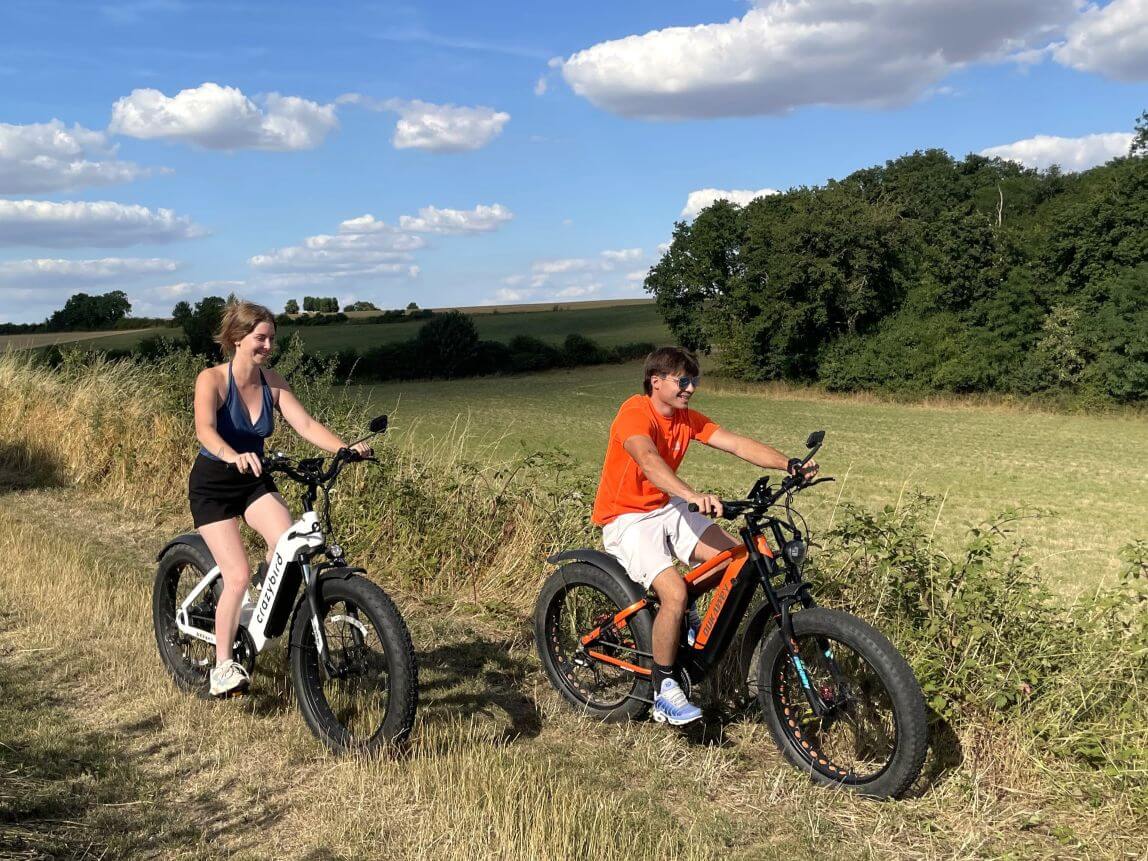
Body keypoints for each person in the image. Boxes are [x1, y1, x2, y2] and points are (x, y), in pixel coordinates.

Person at [591, 346, 817, 725]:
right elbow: (648, 460)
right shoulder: (634, 414)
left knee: (739, 558)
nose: (691, 388)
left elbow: (735, 442)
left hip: (667, 507)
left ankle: (681, 615)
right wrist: (692, 495)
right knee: (674, 592)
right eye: (683, 380)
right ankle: (664, 688)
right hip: (627, 518)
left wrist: (789, 464)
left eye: (694, 380)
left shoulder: (685, 419)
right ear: (656, 381)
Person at [188, 300, 372, 697]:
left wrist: (345, 448)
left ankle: (262, 594)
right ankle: (223, 667)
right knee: (235, 576)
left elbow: (305, 423)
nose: (269, 345)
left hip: (253, 479)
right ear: (237, 338)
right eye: (261, 337)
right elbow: (205, 430)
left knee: (288, 541)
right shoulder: (213, 380)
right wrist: (232, 454)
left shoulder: (273, 383)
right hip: (214, 486)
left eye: (272, 338)